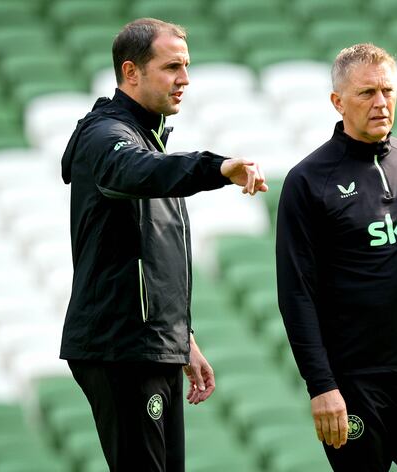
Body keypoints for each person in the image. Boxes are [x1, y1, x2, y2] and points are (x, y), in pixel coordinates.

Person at [59, 18, 267, 472]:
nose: (185, 80)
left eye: (186, 66)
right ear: (131, 72)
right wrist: (218, 168)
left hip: (150, 345)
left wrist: (182, 339)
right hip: (121, 347)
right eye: (172, 67)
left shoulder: (146, 141)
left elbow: (149, 256)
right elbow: (137, 172)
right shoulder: (106, 138)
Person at [275, 43, 397, 472]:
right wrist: (321, 387)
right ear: (338, 101)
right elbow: (296, 295)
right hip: (354, 382)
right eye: (367, 93)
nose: (381, 102)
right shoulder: (308, 181)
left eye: (388, 90)